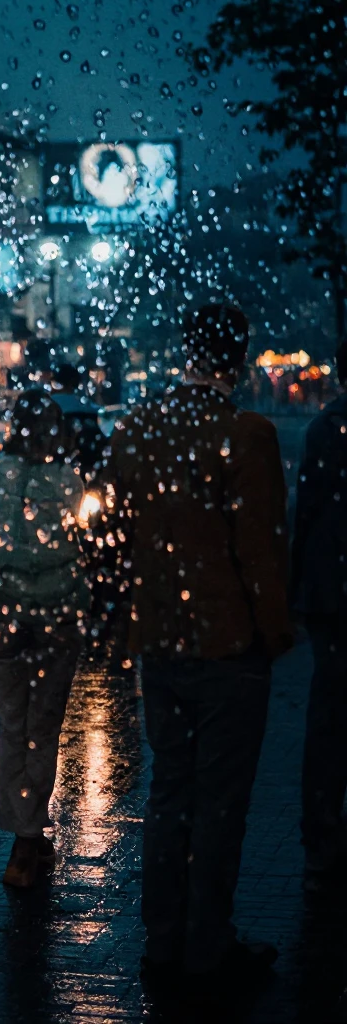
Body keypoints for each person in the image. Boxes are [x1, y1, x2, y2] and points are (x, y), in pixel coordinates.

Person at [109, 303, 293, 992]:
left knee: (171, 793)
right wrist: (275, 636)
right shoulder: (246, 435)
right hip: (228, 647)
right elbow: (261, 553)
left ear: (187, 349)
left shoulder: (138, 431)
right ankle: (207, 946)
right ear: (237, 357)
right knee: (220, 802)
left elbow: (120, 540)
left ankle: (163, 940)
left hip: (161, 642)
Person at [0, 388, 88, 889]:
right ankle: (27, 841)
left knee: (12, 724)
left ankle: (24, 836)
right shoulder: (67, 480)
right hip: (55, 619)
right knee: (43, 725)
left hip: (1, 615)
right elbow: (79, 540)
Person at [293, 337, 347, 884]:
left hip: (333, 593)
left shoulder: (325, 429)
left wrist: (297, 589)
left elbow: (306, 513)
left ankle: (320, 834)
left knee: (329, 717)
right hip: (332, 589)